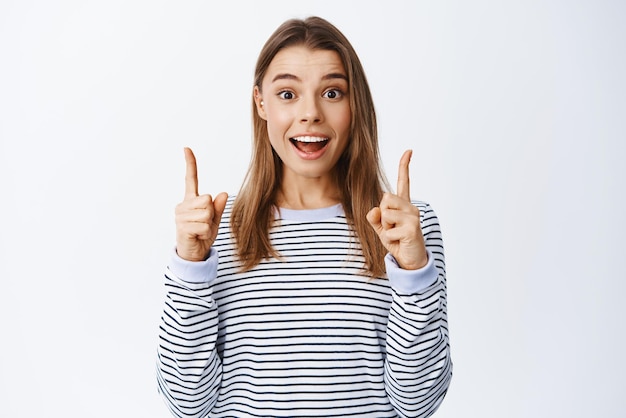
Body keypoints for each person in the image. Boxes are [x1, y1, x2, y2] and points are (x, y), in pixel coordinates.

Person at [157, 16, 452, 418]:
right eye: (287, 94)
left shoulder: (403, 229)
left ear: (355, 105)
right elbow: (187, 403)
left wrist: (414, 269)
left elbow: (418, 403)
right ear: (261, 103)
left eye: (332, 92)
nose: (310, 113)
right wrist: (190, 268)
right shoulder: (215, 232)